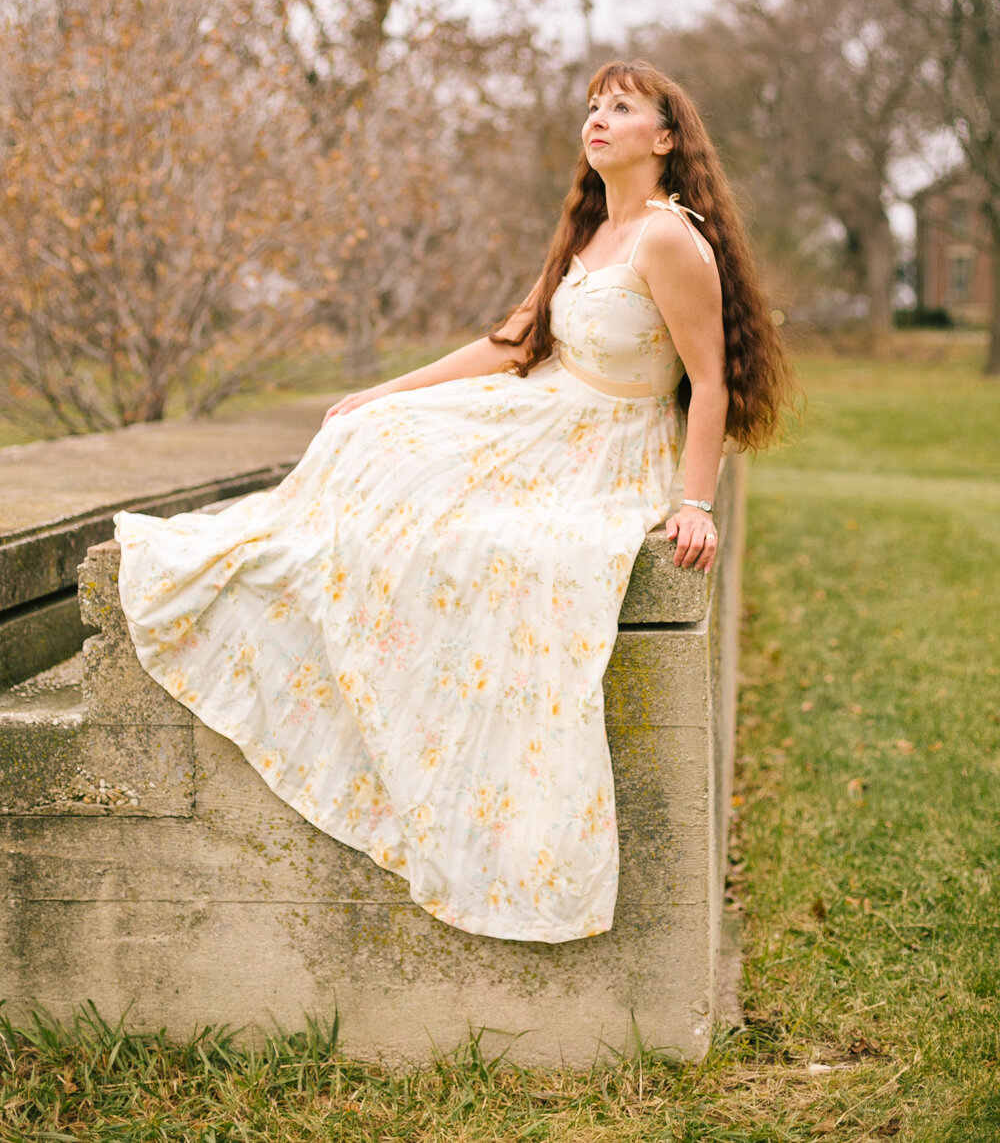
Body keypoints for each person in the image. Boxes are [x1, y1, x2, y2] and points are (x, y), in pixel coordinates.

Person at [115, 58, 792, 944]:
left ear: (664, 139)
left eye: (620, 108)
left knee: (476, 540)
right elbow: (513, 341)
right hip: (545, 413)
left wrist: (691, 501)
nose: (596, 119)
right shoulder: (592, 232)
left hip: (603, 449)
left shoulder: (668, 237)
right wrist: (386, 390)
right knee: (368, 436)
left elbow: (708, 382)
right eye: (591, 106)